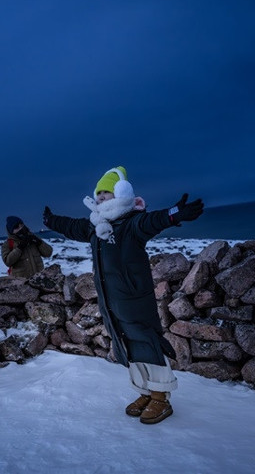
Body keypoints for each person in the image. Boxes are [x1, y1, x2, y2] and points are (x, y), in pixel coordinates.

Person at [42, 166, 204, 424]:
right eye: (99, 194)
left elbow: (155, 220)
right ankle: (145, 392)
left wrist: (175, 212)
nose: (101, 198)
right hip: (113, 301)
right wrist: (52, 221)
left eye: (106, 193)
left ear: (120, 193)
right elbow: (72, 226)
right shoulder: (97, 226)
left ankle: (160, 397)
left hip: (135, 298)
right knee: (127, 344)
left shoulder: (131, 223)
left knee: (147, 342)